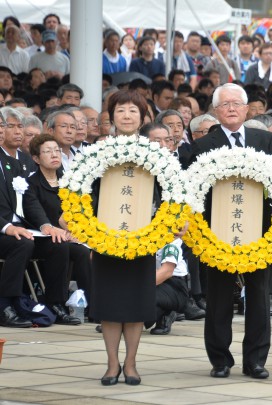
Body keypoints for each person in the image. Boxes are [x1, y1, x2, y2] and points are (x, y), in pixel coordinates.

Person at [187, 83, 272, 379]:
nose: (231, 108)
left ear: (246, 109)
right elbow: (192, 192)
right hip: (217, 234)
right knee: (218, 298)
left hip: (260, 233)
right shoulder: (203, 146)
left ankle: (255, 360)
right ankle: (220, 359)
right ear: (215, 111)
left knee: (258, 296)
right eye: (224, 104)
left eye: (236, 103)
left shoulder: (264, 140)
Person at [87, 90, 166, 386]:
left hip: (141, 237)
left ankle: (131, 364)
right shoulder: (96, 152)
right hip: (106, 236)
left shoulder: (154, 153)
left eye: (134, 110)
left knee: (135, 304)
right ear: (112, 116)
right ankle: (111, 364)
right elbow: (85, 192)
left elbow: (164, 192)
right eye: (121, 110)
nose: (127, 115)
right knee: (110, 304)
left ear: (143, 116)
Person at [0, 113, 78, 328]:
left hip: (23, 227)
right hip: (5, 229)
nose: (17, 131)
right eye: (9, 126)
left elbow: (29, 201)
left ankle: (55, 303)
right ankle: (7, 304)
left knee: (57, 244)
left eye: (19, 126)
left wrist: (46, 226)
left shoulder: (20, 160)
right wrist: (6, 226)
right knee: (21, 243)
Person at [23, 134, 93, 306]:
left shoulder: (68, 181)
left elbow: (78, 212)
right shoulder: (31, 184)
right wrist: (52, 228)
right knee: (60, 247)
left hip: (66, 236)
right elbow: (34, 211)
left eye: (56, 150)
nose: (54, 155)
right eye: (47, 151)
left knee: (83, 252)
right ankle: (56, 303)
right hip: (41, 237)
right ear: (36, 158)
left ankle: (94, 306)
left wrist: (76, 232)